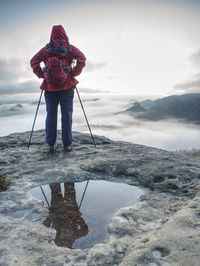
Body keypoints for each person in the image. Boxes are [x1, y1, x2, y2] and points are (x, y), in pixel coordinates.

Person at [30, 25, 86, 152]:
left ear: (51, 35)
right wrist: (73, 73)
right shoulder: (69, 48)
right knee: (67, 114)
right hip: (67, 86)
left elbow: (33, 61)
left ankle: (51, 144)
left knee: (51, 114)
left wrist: (42, 74)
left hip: (49, 87)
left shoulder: (46, 49)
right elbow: (82, 58)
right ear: (65, 34)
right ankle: (67, 144)